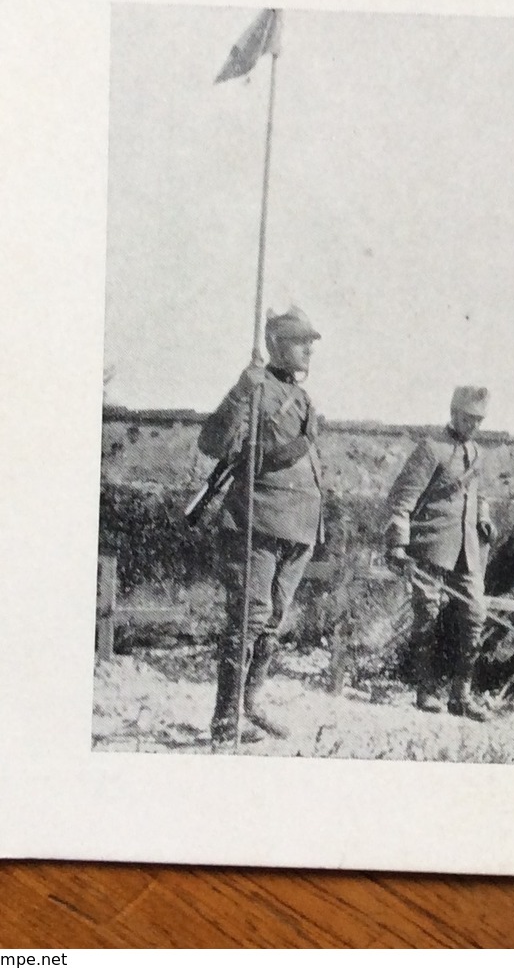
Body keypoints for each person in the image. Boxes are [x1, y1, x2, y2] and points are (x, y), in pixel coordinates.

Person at [198, 306, 325, 747]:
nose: (309, 348)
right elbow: (212, 442)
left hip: (298, 528)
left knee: (272, 623)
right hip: (257, 519)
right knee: (248, 620)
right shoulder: (256, 388)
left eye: (310, 341)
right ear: (275, 344)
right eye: (299, 340)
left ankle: (249, 705)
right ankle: (225, 719)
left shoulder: (304, 399)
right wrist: (239, 392)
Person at [384, 386, 496, 721]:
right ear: (453, 412)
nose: (473, 425)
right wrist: (398, 544)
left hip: (467, 549)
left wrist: (485, 518)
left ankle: (461, 695)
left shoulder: (477, 453)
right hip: (430, 545)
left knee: (475, 614)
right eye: (468, 418)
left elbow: (480, 494)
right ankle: (426, 690)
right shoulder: (431, 448)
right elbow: (401, 499)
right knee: (427, 616)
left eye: (479, 420)